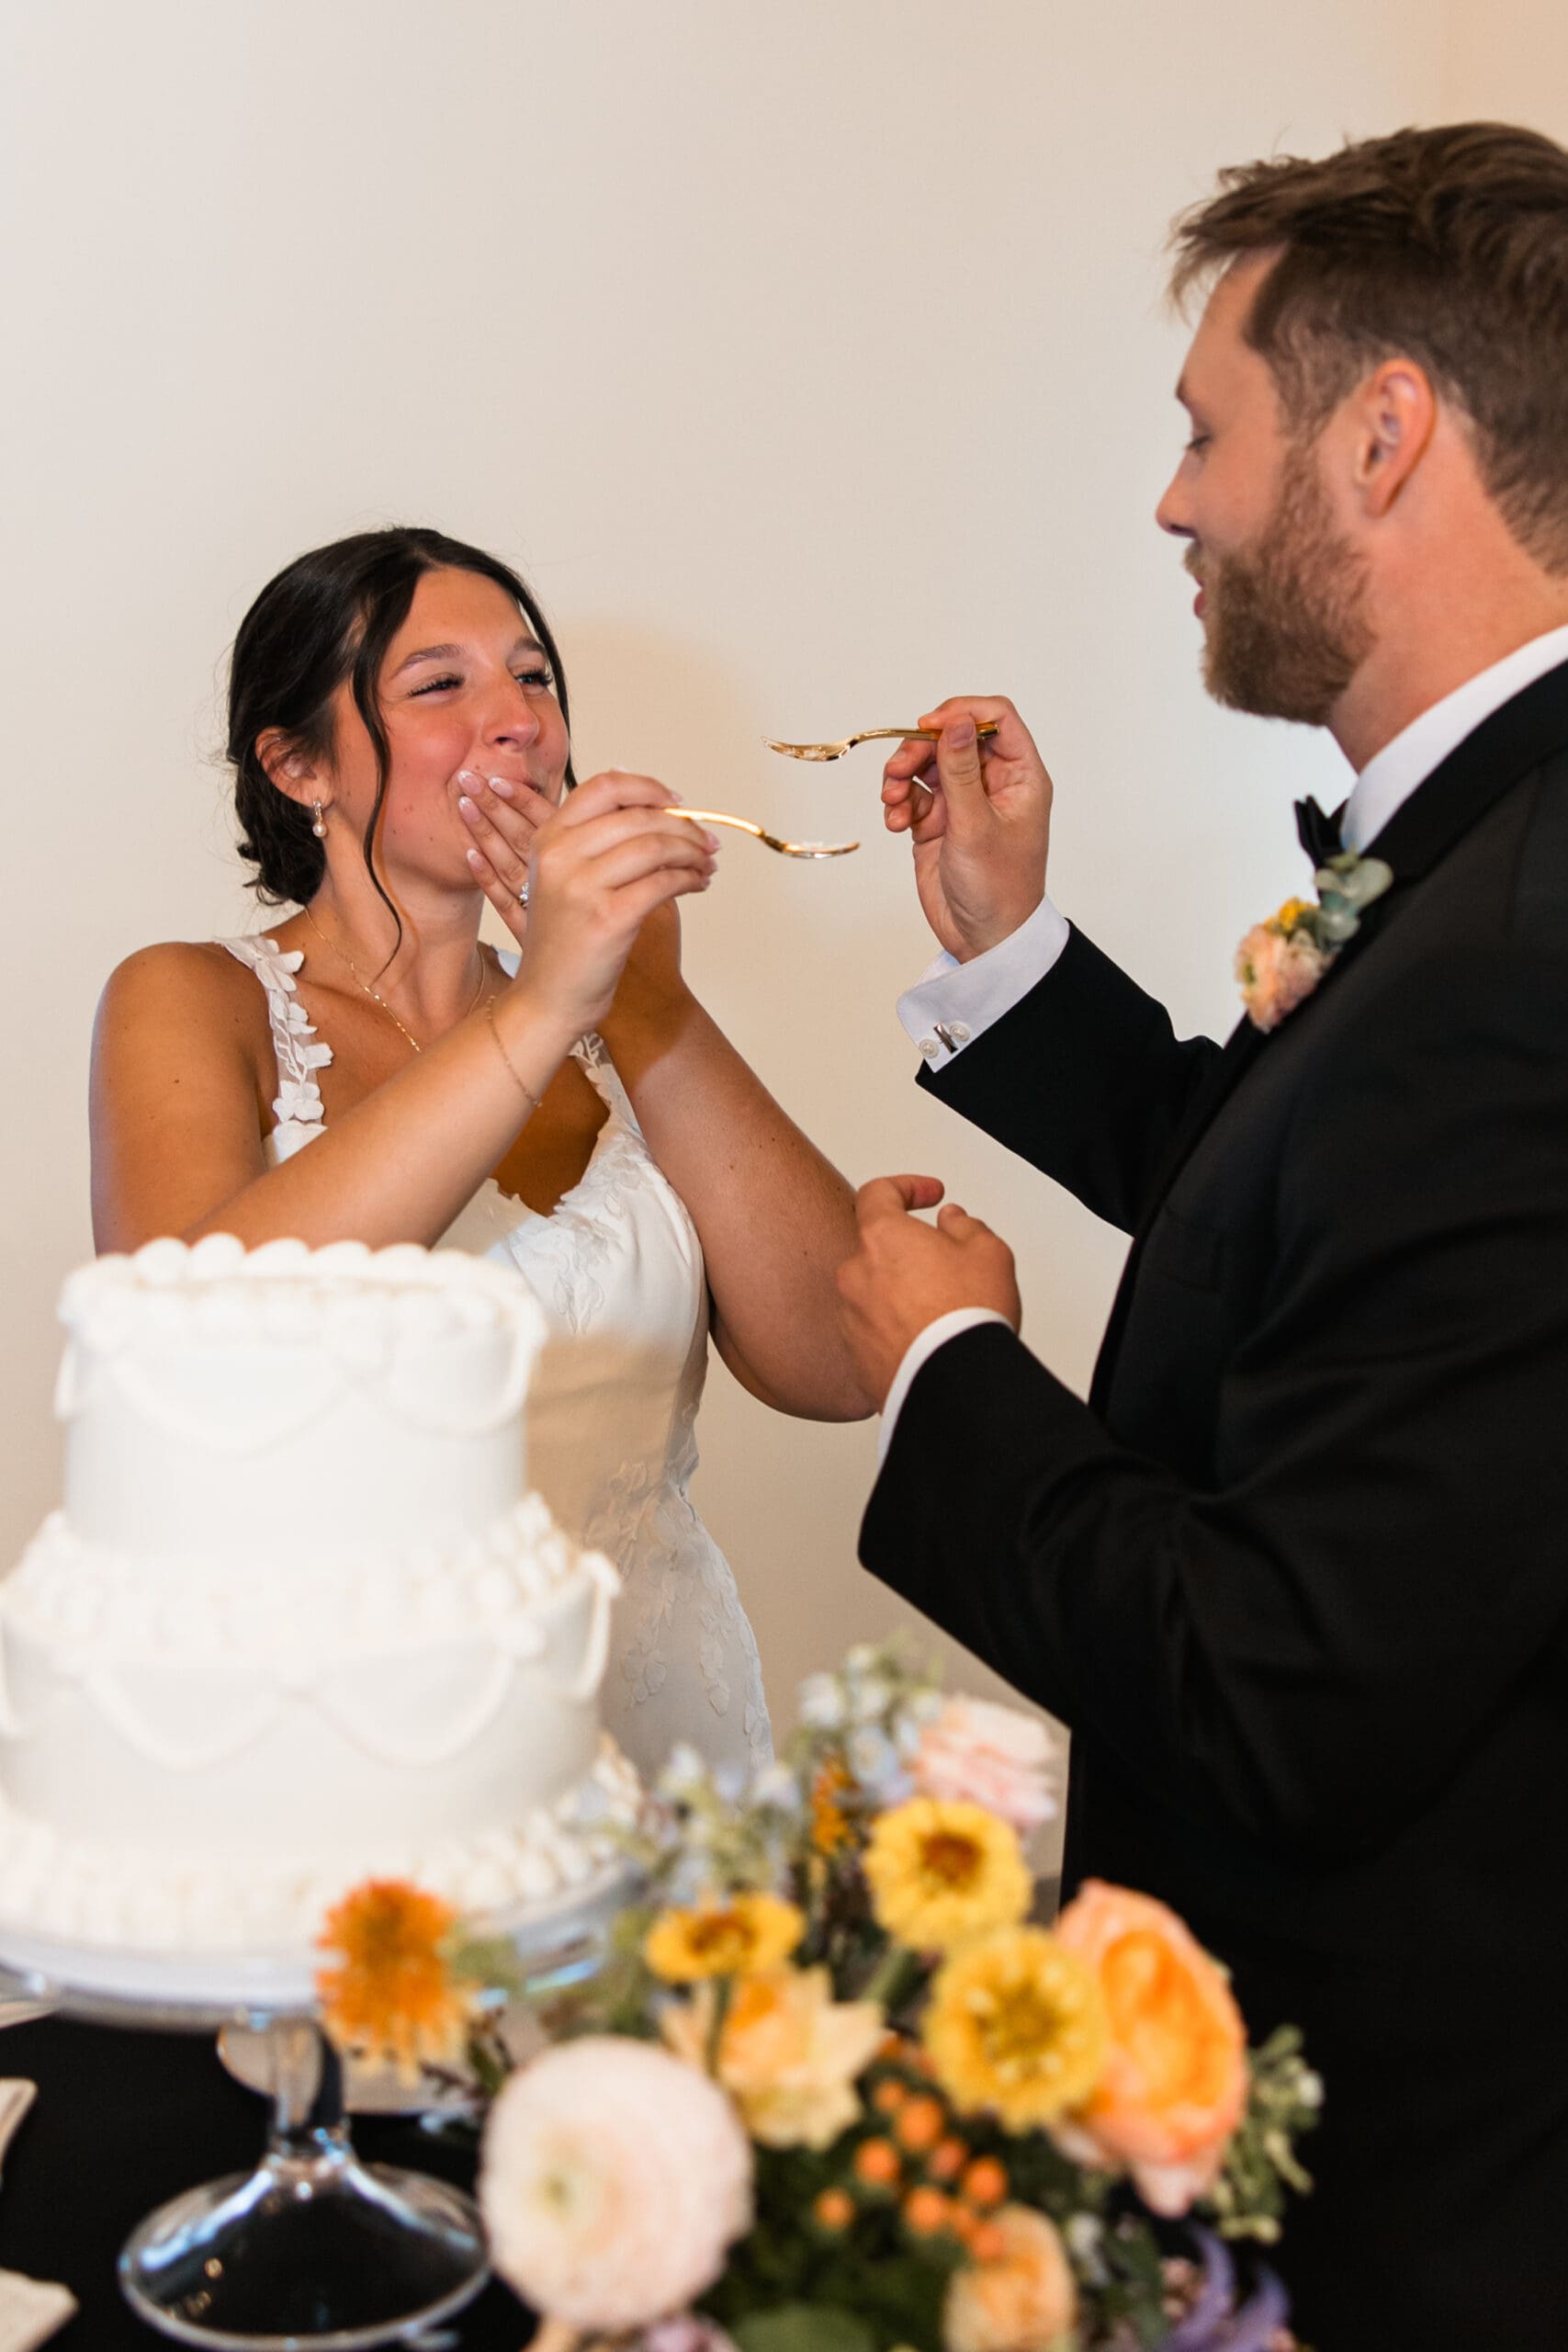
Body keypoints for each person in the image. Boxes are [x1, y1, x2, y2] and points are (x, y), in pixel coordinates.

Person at [835, 123, 1568, 2350]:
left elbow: (1277, 1688)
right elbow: (1314, 1216)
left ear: (1380, 431)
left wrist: (952, 1373)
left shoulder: (1521, 953)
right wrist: (1004, 954)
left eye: (1199, 432)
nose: (1171, 502)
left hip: (1411, 2201)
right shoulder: (1469, 852)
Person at [92, 524, 873, 1781]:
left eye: (534, 677)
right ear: (299, 768)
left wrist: (648, 1003)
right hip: (355, 1764)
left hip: (660, 1755)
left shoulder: (620, 1018)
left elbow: (840, 1362)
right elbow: (186, 1345)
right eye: (440, 684)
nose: (517, 721)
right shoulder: (191, 1000)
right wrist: (545, 1004)